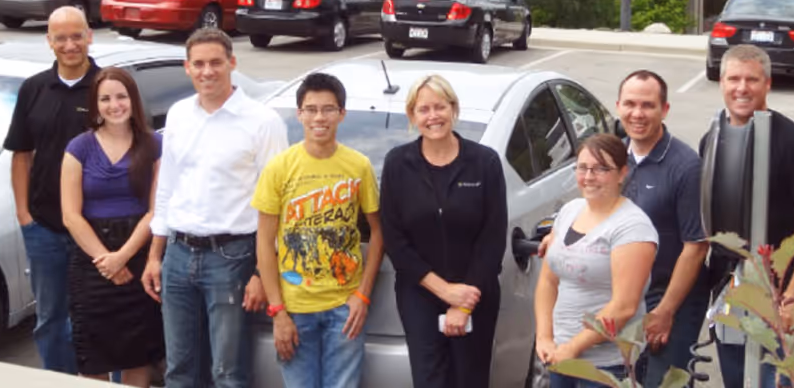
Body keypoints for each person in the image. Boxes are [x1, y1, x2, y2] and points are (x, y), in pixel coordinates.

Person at [142, 28, 288, 388]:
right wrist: (155, 254)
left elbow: (279, 206)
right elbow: (167, 187)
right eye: (199, 64)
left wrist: (260, 273)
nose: (208, 71)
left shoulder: (262, 121)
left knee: (229, 373)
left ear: (232, 63)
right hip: (177, 255)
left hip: (233, 259)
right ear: (187, 68)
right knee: (179, 370)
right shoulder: (178, 115)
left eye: (216, 63)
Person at [700, 44, 794, 388]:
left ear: (768, 84)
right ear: (721, 81)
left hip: (779, 291)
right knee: (734, 378)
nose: (741, 88)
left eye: (752, 80)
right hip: (729, 286)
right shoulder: (712, 140)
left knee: (779, 381)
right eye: (733, 79)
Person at [252, 72, 384, 388]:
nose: (319, 117)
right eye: (311, 109)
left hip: (344, 308)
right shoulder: (279, 168)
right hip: (295, 307)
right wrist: (278, 312)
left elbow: (379, 232)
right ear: (299, 114)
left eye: (328, 109)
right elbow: (264, 242)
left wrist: (363, 295)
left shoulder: (359, 165)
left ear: (342, 114)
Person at [380, 74, 507, 388]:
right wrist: (443, 290)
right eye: (423, 109)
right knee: (429, 380)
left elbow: (492, 238)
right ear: (412, 116)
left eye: (440, 107)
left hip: (475, 293)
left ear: (454, 109)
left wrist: (462, 302)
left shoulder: (484, 163)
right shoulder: (398, 164)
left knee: (470, 379)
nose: (432, 116)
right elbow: (395, 240)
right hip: (419, 293)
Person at [4, 5, 98, 373]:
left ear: (89, 35)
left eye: (77, 35)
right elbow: (21, 155)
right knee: (51, 318)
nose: (70, 44)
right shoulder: (34, 88)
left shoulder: (108, 87)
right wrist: (24, 215)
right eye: (61, 38)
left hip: (96, 227)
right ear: (49, 41)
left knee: (96, 317)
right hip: (44, 227)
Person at [60, 67, 165, 385]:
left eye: (121, 96)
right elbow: (71, 215)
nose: (114, 105)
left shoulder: (154, 145)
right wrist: (106, 260)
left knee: (137, 354)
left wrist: (122, 257)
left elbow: (155, 209)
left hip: (138, 258)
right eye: (105, 98)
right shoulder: (78, 148)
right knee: (93, 356)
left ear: (133, 100)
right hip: (91, 261)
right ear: (95, 105)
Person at [534, 133, 659, 388]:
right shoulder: (570, 211)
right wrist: (545, 337)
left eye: (601, 169)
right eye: (582, 168)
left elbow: (623, 307)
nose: (589, 176)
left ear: (622, 173)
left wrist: (573, 346)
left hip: (607, 365)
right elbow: (548, 281)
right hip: (560, 355)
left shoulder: (632, 227)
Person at [616, 70, 708, 388]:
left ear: (664, 110)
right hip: (626, 296)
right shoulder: (614, 158)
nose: (637, 113)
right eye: (630, 104)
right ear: (618, 107)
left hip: (670, 297)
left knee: (663, 383)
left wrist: (665, 311)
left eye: (648, 105)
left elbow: (696, 247)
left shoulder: (686, 166)